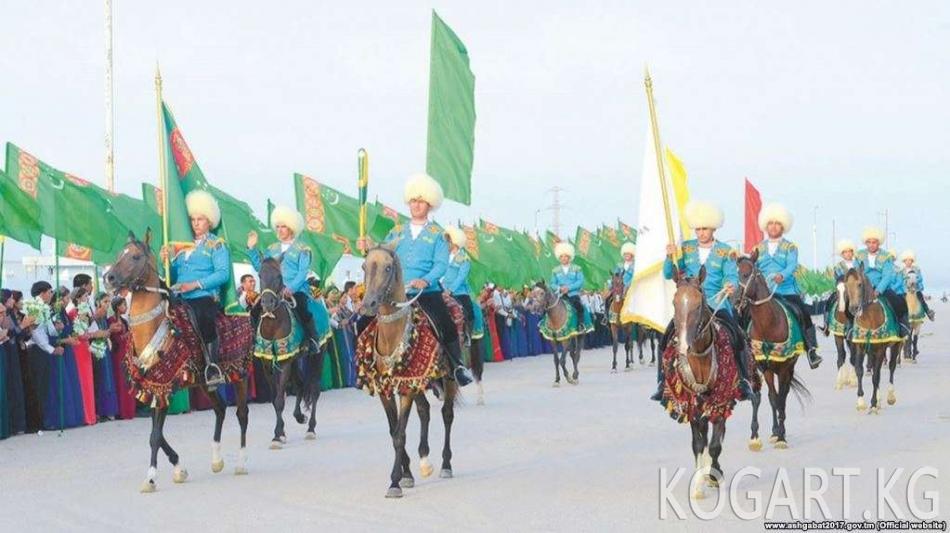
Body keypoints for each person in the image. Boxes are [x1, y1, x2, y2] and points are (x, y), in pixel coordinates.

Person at [361, 173, 473, 386]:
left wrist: (425, 280)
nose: (416, 205)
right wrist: (366, 246)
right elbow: (381, 254)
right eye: (413, 201)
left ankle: (457, 366)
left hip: (426, 292)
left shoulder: (438, 234)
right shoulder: (396, 231)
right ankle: (364, 365)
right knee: (364, 320)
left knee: (446, 322)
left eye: (421, 201)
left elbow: (441, 265)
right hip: (396, 293)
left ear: (429, 205)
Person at [651, 200, 753, 402]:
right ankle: (662, 383)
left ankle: (743, 380)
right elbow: (669, 273)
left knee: (737, 336)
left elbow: (730, 275)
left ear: (713, 228)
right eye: (698, 229)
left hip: (716, 304)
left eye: (705, 229)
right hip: (690, 305)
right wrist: (669, 256)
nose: (701, 233)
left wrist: (730, 285)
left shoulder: (725, 251)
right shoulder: (685, 248)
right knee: (666, 337)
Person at [160, 190, 231, 387]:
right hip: (178, 294)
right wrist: (164, 261)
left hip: (203, 295)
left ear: (210, 221)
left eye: (200, 219)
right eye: (193, 219)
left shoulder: (217, 244)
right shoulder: (181, 245)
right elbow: (172, 275)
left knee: (204, 318)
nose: (196, 223)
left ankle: (212, 366)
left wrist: (196, 284)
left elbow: (223, 274)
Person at [753, 203, 821, 369]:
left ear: (783, 226)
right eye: (770, 223)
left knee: (803, 312)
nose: (773, 227)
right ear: (765, 226)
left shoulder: (790, 247)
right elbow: (753, 267)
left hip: (786, 290)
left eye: (777, 224)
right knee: (744, 313)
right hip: (764, 293)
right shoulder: (758, 248)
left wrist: (781, 275)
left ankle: (811, 349)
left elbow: (792, 266)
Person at [247, 205, 321, 352]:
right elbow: (262, 268)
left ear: (292, 228)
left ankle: (311, 339)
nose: (279, 230)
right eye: (278, 227)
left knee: (302, 308)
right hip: (275, 290)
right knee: (255, 310)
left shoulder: (303, 249)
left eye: (283, 227)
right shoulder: (271, 249)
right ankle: (253, 342)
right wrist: (252, 249)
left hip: (296, 290)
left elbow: (303, 272)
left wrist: (291, 288)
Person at [854, 227, 909, 338]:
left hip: (881, 288)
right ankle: (849, 328)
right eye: (868, 242)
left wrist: (878, 290)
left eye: (874, 242)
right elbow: (856, 272)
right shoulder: (859, 255)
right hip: (863, 289)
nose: (871, 245)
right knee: (848, 302)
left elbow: (887, 276)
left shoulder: (886, 256)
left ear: (879, 243)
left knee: (899, 302)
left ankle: (902, 325)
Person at [108, 297, 137, 420]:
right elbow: (117, 339)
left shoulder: (124, 321)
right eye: (123, 305)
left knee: (129, 380)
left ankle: (130, 410)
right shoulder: (111, 320)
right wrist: (129, 333)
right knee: (121, 381)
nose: (125, 307)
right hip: (118, 353)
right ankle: (122, 411)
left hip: (127, 352)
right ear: (117, 307)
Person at [549, 242, 586, 333]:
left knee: (579, 307)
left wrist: (569, 288)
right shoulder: (555, 270)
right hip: (560, 296)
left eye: (566, 256)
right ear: (559, 258)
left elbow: (580, 281)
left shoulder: (577, 268)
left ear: (569, 257)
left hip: (573, 295)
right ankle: (548, 326)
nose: (563, 258)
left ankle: (581, 325)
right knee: (549, 308)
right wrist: (560, 288)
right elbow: (552, 284)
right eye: (561, 256)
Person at [896, 250, 935, 321]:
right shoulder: (901, 271)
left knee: (921, 298)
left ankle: (928, 312)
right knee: (901, 301)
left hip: (915, 288)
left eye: (910, 260)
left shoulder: (916, 269)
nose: (908, 262)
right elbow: (900, 280)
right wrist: (905, 280)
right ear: (904, 261)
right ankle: (901, 317)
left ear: (912, 261)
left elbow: (920, 278)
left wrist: (916, 280)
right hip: (905, 289)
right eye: (906, 260)